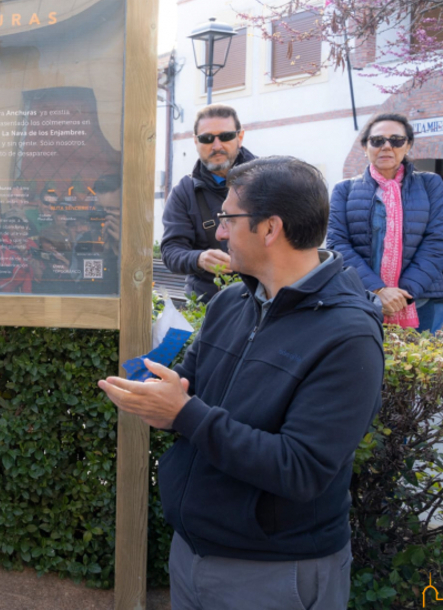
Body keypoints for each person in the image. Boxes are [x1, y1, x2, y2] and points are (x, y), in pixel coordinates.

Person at [100, 157, 383, 610]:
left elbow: (302, 468)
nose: (218, 233)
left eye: (228, 219)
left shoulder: (348, 336)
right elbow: (189, 399)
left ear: (270, 228)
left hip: (274, 571)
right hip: (192, 552)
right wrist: (156, 398)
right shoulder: (230, 301)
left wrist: (182, 413)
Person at [328, 112, 443, 333]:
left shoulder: (431, 184)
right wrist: (378, 290)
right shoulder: (345, 190)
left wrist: (402, 294)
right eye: (377, 140)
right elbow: (337, 244)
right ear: (365, 147)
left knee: (418, 366)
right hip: (363, 299)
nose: (387, 146)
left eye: (396, 140)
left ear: (408, 145)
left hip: (421, 300)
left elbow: (437, 240)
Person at [161, 104, 257, 303]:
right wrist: (199, 259)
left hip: (262, 296)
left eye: (225, 136)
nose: (216, 146)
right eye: (206, 138)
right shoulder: (183, 192)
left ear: (240, 137)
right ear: (195, 141)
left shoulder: (269, 180)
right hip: (208, 304)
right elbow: (171, 250)